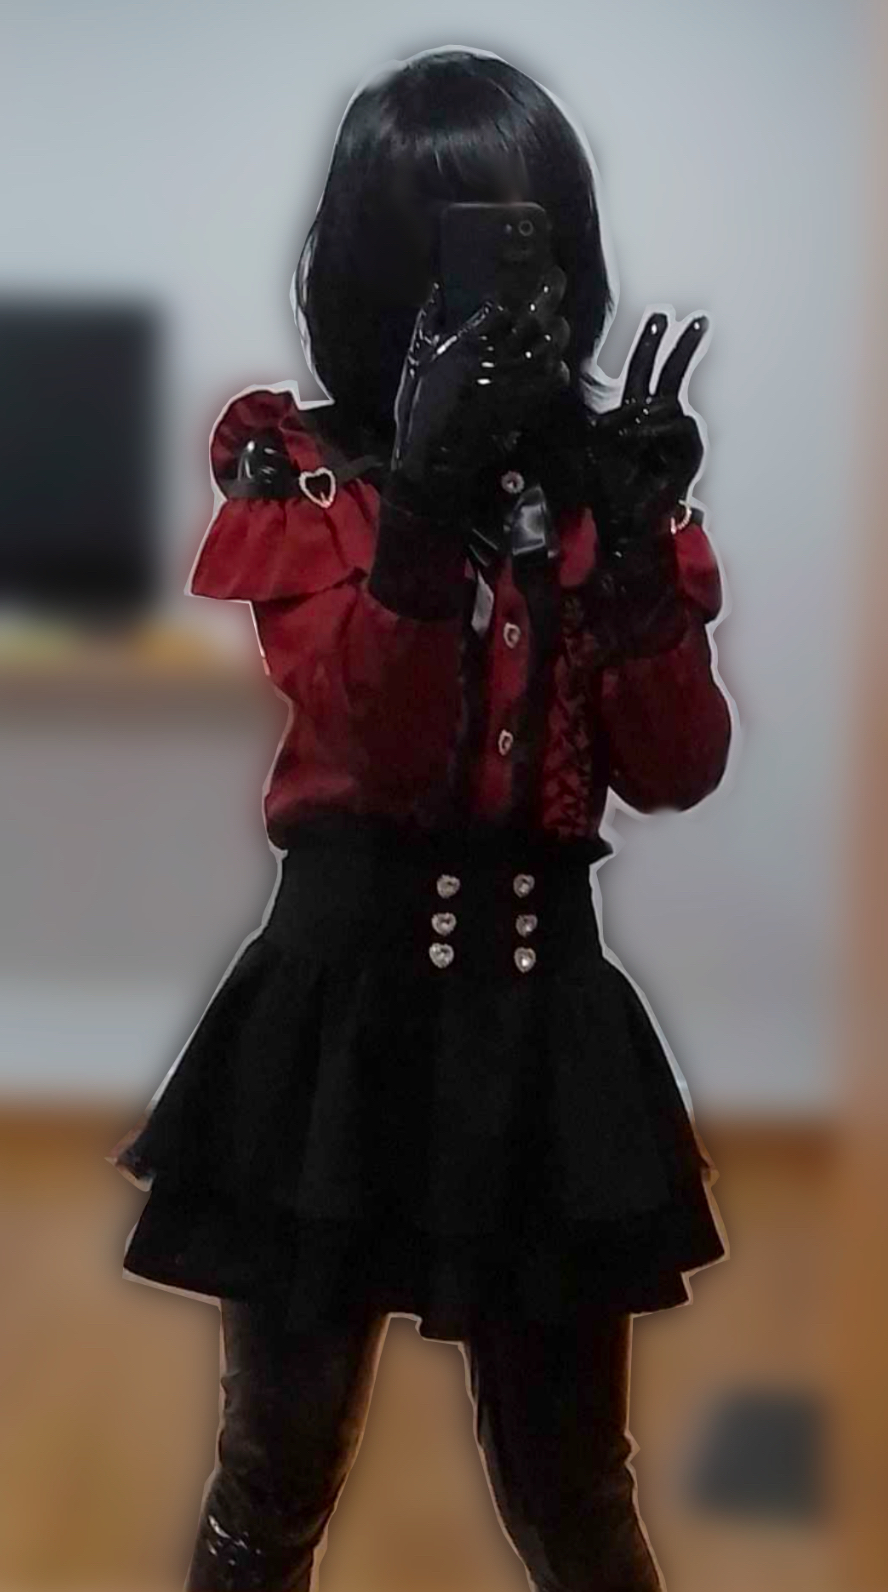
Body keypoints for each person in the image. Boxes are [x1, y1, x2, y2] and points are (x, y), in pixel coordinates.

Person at [110, 45, 733, 1592]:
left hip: (545, 1032)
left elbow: (676, 766)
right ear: (378, 270)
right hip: (333, 1028)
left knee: (577, 1495)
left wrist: (641, 560)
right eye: (452, 246)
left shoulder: (601, 493)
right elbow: (379, 754)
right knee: (275, 1475)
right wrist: (429, 505)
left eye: (533, 239)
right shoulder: (306, 480)